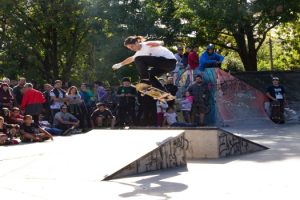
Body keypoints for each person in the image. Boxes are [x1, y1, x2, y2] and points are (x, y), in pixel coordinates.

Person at [112, 36, 176, 90]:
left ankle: (145, 81)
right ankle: (163, 92)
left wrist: (160, 43)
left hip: (169, 61)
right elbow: (131, 59)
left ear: (137, 42)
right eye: (129, 48)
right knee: (149, 74)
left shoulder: (146, 44)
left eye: (132, 46)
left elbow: (161, 42)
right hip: (165, 67)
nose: (131, 49)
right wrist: (120, 64)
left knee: (138, 59)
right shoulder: (139, 53)